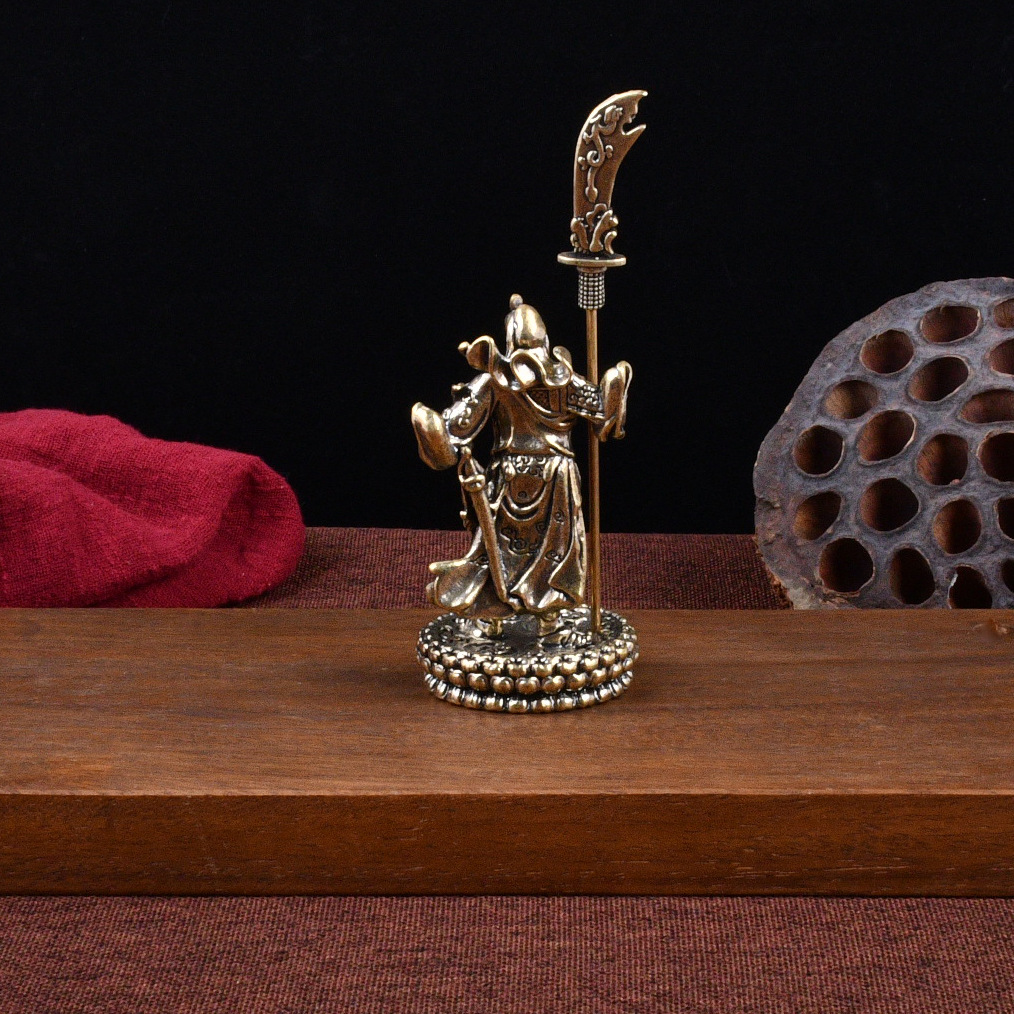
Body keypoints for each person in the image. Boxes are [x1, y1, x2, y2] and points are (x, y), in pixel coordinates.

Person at [412, 294, 631, 638]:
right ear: (546, 338)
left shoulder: (500, 380)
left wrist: (438, 431)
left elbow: (456, 427)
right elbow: (602, 409)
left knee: (526, 548)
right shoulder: (557, 381)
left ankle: (523, 616)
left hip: (518, 475)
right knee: (522, 548)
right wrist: (613, 387)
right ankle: (517, 614)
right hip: (550, 476)